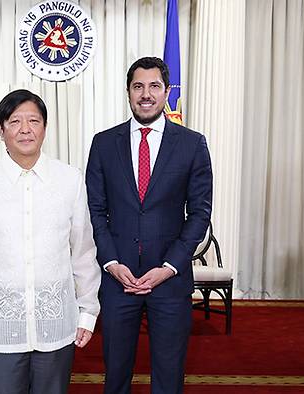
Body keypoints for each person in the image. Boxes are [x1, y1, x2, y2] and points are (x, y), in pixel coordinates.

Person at [0, 89, 101, 394]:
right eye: (15, 121)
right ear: (1, 129)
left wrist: (88, 310)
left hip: (56, 324)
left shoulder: (70, 180)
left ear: (45, 127)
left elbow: (83, 250)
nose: (25, 129)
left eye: (34, 120)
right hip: (0, 327)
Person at [85, 57, 213, 394]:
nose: (146, 94)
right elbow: (95, 210)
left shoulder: (192, 143)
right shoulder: (103, 143)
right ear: (128, 92)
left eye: (154, 86)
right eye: (138, 86)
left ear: (167, 91)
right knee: (115, 377)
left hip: (169, 282)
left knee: (169, 378)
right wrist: (111, 263)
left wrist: (170, 266)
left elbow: (199, 213)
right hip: (118, 281)